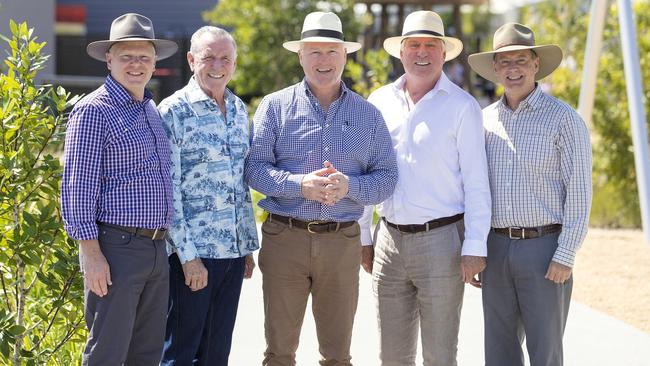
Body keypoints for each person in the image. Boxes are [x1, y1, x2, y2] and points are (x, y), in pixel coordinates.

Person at [244, 11, 398, 366]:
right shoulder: (274, 107)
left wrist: (349, 186)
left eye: (331, 51)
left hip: (341, 244)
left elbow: (387, 178)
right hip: (285, 239)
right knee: (279, 352)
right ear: (300, 56)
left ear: (345, 55)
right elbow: (254, 169)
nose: (323, 60)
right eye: (314, 51)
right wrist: (301, 186)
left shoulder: (369, 115)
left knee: (337, 354)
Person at [358, 10, 491, 366]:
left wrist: (475, 246)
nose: (422, 53)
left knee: (440, 355)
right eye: (414, 45)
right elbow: (363, 173)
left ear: (444, 52)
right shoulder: (378, 102)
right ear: (401, 52)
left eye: (430, 45)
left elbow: (478, 183)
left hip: (443, 243)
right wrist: (364, 238)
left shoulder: (463, 107)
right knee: (392, 356)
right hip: (388, 242)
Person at [468, 22, 592, 366]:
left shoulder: (564, 120)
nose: (513, 69)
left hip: (544, 250)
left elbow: (580, 194)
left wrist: (565, 254)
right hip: (495, 247)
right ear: (495, 68)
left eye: (520, 60)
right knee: (498, 352)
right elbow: (474, 190)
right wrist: (474, 246)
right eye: (504, 62)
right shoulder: (483, 121)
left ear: (536, 64)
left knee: (545, 352)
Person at [61, 13, 178, 366]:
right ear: (109, 59)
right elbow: (77, 187)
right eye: (126, 56)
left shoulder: (150, 110)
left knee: (145, 354)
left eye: (144, 56)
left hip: (156, 249)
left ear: (154, 61)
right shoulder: (93, 111)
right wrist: (92, 255)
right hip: (116, 251)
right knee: (108, 354)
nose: (136, 64)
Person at [157, 26, 259, 365]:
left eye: (225, 58)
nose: (218, 65)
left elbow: (239, 182)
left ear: (234, 63)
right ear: (191, 60)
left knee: (217, 353)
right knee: (181, 352)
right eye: (209, 57)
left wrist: (246, 246)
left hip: (231, 256)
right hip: (193, 256)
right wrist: (187, 257)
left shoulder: (239, 109)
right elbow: (167, 191)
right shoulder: (173, 111)